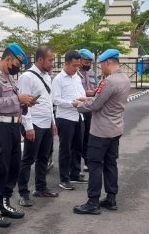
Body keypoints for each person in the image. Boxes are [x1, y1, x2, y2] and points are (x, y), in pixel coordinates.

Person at [0, 43, 37, 228]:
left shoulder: (9, 78)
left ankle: (4, 203)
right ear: (8, 59)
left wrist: (25, 103)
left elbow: (12, 103)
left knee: (12, 167)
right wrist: (17, 99)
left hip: (13, 128)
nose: (18, 68)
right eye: (17, 64)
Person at [72, 49, 130, 215]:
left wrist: (79, 105)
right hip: (115, 128)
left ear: (108, 63)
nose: (100, 69)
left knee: (95, 165)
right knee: (111, 164)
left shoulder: (109, 81)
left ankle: (93, 201)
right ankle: (111, 198)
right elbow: (105, 100)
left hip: (101, 131)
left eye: (101, 65)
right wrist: (88, 99)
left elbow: (96, 105)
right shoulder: (125, 79)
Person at [16, 47, 59, 207]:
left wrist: (53, 123)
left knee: (43, 158)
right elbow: (24, 104)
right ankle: (23, 193)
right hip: (33, 124)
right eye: (50, 60)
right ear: (40, 60)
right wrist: (28, 127)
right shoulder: (27, 77)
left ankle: (41, 188)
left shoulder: (47, 76)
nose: (52, 63)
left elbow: (48, 101)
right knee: (28, 159)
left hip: (46, 123)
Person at [52, 50, 87, 191]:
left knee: (78, 146)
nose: (76, 68)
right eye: (74, 65)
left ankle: (75, 173)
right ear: (66, 63)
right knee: (65, 148)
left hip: (79, 116)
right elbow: (55, 99)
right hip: (65, 118)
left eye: (78, 65)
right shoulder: (58, 79)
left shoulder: (77, 77)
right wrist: (71, 103)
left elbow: (81, 93)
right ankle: (64, 178)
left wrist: (83, 98)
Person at [77, 49, 98, 172]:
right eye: (86, 60)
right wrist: (86, 93)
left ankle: (87, 161)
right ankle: (74, 165)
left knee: (88, 137)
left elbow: (95, 87)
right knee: (78, 138)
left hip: (90, 110)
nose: (88, 63)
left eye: (90, 61)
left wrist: (94, 92)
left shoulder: (92, 73)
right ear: (80, 60)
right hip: (78, 109)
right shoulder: (75, 73)